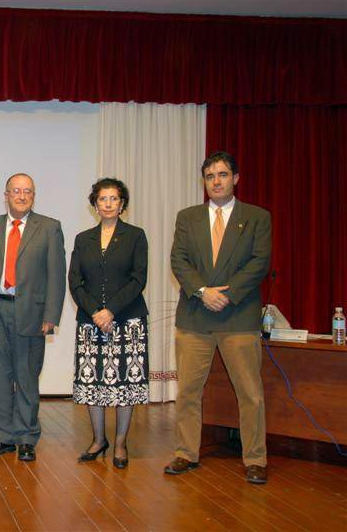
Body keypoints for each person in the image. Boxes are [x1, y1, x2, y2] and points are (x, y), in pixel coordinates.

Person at [166, 151, 271, 484]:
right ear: (204, 181)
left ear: (235, 178)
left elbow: (259, 262)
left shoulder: (257, 217)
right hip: (195, 316)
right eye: (210, 176)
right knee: (188, 392)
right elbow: (179, 260)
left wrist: (226, 294)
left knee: (250, 393)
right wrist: (202, 292)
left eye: (222, 174)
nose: (216, 181)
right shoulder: (188, 217)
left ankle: (255, 459)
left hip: (238, 316)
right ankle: (186, 453)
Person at [0, 173, 66, 462]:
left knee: (26, 376)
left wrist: (51, 315)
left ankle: (25, 437)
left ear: (33, 196)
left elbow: (56, 276)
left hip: (32, 314)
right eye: (16, 191)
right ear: (6, 194)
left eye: (28, 192)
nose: (22, 196)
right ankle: (1, 436)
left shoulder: (49, 228)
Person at [69, 178, 148, 469]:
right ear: (95, 204)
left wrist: (111, 310)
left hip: (128, 321)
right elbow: (75, 282)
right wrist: (96, 313)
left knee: (125, 383)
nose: (108, 204)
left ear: (122, 204)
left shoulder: (136, 236)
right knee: (93, 382)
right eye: (103, 199)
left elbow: (139, 279)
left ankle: (121, 443)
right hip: (91, 323)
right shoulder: (82, 238)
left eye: (114, 198)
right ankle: (98, 439)